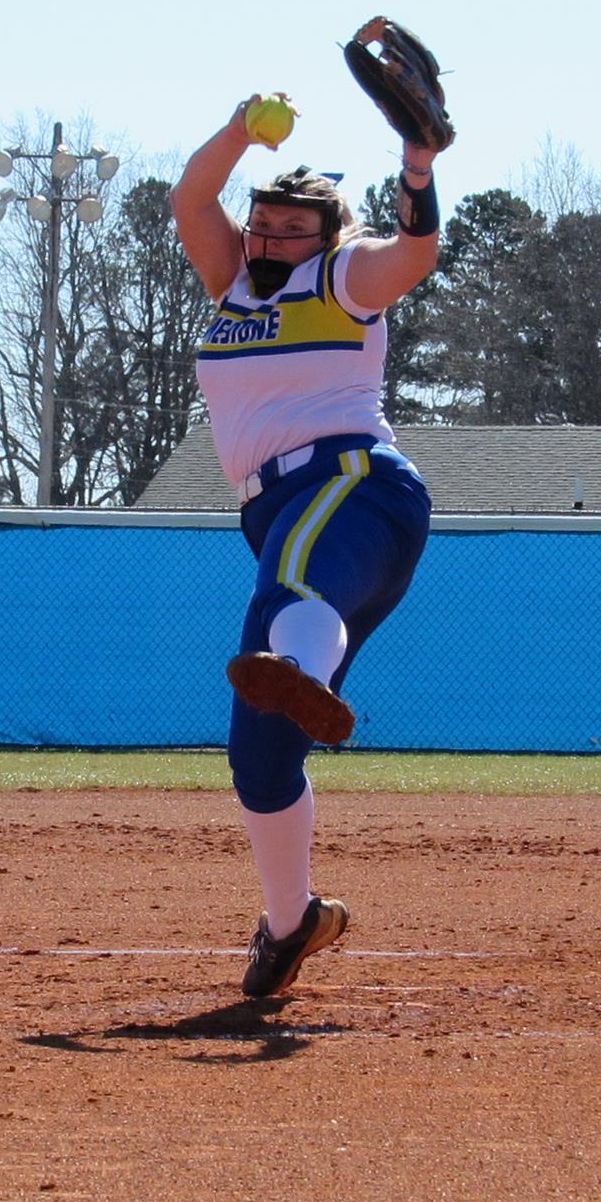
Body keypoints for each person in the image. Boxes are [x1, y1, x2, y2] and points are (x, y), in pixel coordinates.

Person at [171, 95, 445, 998]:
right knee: (258, 749)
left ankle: (309, 679)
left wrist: (416, 167)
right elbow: (190, 200)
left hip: (351, 485)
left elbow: (412, 255)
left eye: (293, 228)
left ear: (325, 236)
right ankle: (293, 925)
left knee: (294, 592)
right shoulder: (235, 292)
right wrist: (241, 130)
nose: (272, 238)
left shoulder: (341, 280)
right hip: (284, 508)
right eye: (264, 225)